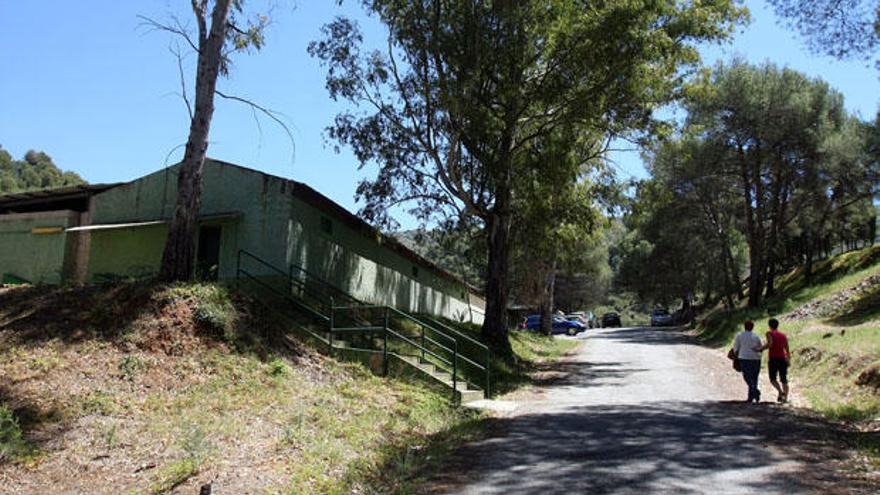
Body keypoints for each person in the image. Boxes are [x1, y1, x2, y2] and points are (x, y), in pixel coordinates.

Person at [757, 318, 790, 403]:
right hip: (782, 358)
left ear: (769, 326)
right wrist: (788, 357)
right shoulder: (783, 335)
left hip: (773, 358)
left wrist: (760, 349)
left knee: (772, 378)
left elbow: (770, 344)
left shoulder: (769, 333)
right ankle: (785, 398)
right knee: (784, 378)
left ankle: (780, 391)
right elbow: (786, 347)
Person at [733, 320, 763, 403]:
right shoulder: (756, 336)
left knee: (747, 376)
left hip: (744, 358)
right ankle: (752, 395)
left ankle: (754, 391)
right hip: (756, 359)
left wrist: (735, 356)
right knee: (754, 377)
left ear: (744, 326)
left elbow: (736, 348)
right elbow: (760, 348)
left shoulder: (739, 335)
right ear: (752, 327)